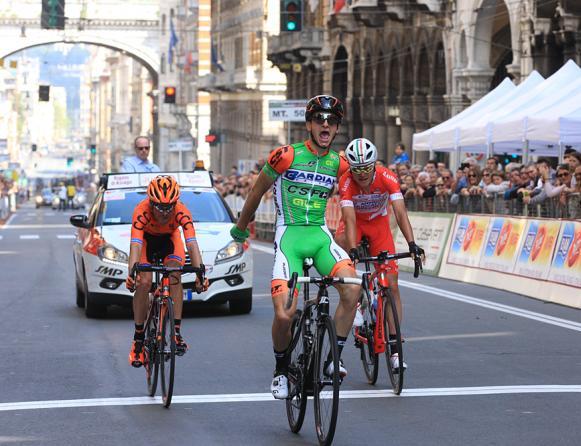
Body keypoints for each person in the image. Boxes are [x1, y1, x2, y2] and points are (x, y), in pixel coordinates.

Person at [229, 95, 361, 399]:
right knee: (285, 314)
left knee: (353, 288)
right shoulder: (286, 156)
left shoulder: (340, 163)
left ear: (338, 126)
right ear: (309, 124)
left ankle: (333, 360)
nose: (325, 124)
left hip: (319, 237)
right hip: (289, 238)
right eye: (319, 119)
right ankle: (280, 369)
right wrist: (240, 227)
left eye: (332, 121)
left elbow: (355, 198)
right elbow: (256, 191)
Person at [335, 137, 424, 372]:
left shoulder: (387, 177)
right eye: (356, 169)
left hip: (378, 225)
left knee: (392, 284)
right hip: (354, 224)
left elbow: (400, 212)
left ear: (374, 165)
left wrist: (412, 243)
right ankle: (354, 299)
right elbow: (349, 218)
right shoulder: (345, 182)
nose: (362, 174)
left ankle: (395, 351)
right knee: (343, 246)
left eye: (366, 168)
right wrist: (352, 248)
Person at [125, 175, 208, 367]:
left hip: (170, 241)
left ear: (175, 203)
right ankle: (138, 340)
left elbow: (192, 244)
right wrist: (131, 273)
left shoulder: (182, 212)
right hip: (147, 241)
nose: (165, 212)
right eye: (160, 207)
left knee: (175, 275)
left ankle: (176, 333)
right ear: (151, 203)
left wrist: (200, 274)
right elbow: (135, 245)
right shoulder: (141, 211)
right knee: (144, 282)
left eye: (169, 206)